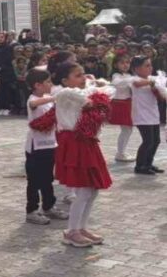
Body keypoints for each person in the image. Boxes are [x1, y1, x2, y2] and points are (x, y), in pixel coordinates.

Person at [52, 63, 112, 248]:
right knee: (84, 190)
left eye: (83, 74)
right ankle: (71, 231)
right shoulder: (63, 93)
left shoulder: (81, 91)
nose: (83, 78)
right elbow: (82, 98)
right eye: (78, 75)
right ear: (64, 80)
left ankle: (81, 227)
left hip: (86, 141)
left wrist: (98, 86)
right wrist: (95, 89)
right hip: (74, 142)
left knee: (93, 190)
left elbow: (107, 91)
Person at [24, 69, 67, 225]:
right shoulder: (33, 99)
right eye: (48, 82)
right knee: (34, 180)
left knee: (47, 178)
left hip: (50, 145)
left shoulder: (48, 99)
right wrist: (54, 98)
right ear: (37, 85)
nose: (51, 84)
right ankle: (32, 210)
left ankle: (49, 206)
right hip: (36, 147)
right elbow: (34, 104)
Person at [130, 56, 163, 175]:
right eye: (147, 65)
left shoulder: (151, 79)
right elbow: (138, 84)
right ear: (136, 69)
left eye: (151, 65)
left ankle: (148, 163)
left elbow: (161, 95)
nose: (150, 68)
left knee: (156, 141)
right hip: (141, 115)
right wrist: (153, 82)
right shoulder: (133, 79)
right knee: (148, 141)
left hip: (153, 114)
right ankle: (140, 166)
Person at [109, 54, 136, 162]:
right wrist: (133, 79)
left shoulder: (129, 75)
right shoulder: (116, 75)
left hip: (128, 103)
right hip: (120, 103)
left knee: (127, 129)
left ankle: (121, 152)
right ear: (116, 65)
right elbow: (116, 83)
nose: (125, 65)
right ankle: (120, 153)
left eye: (127, 62)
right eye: (122, 62)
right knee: (126, 129)